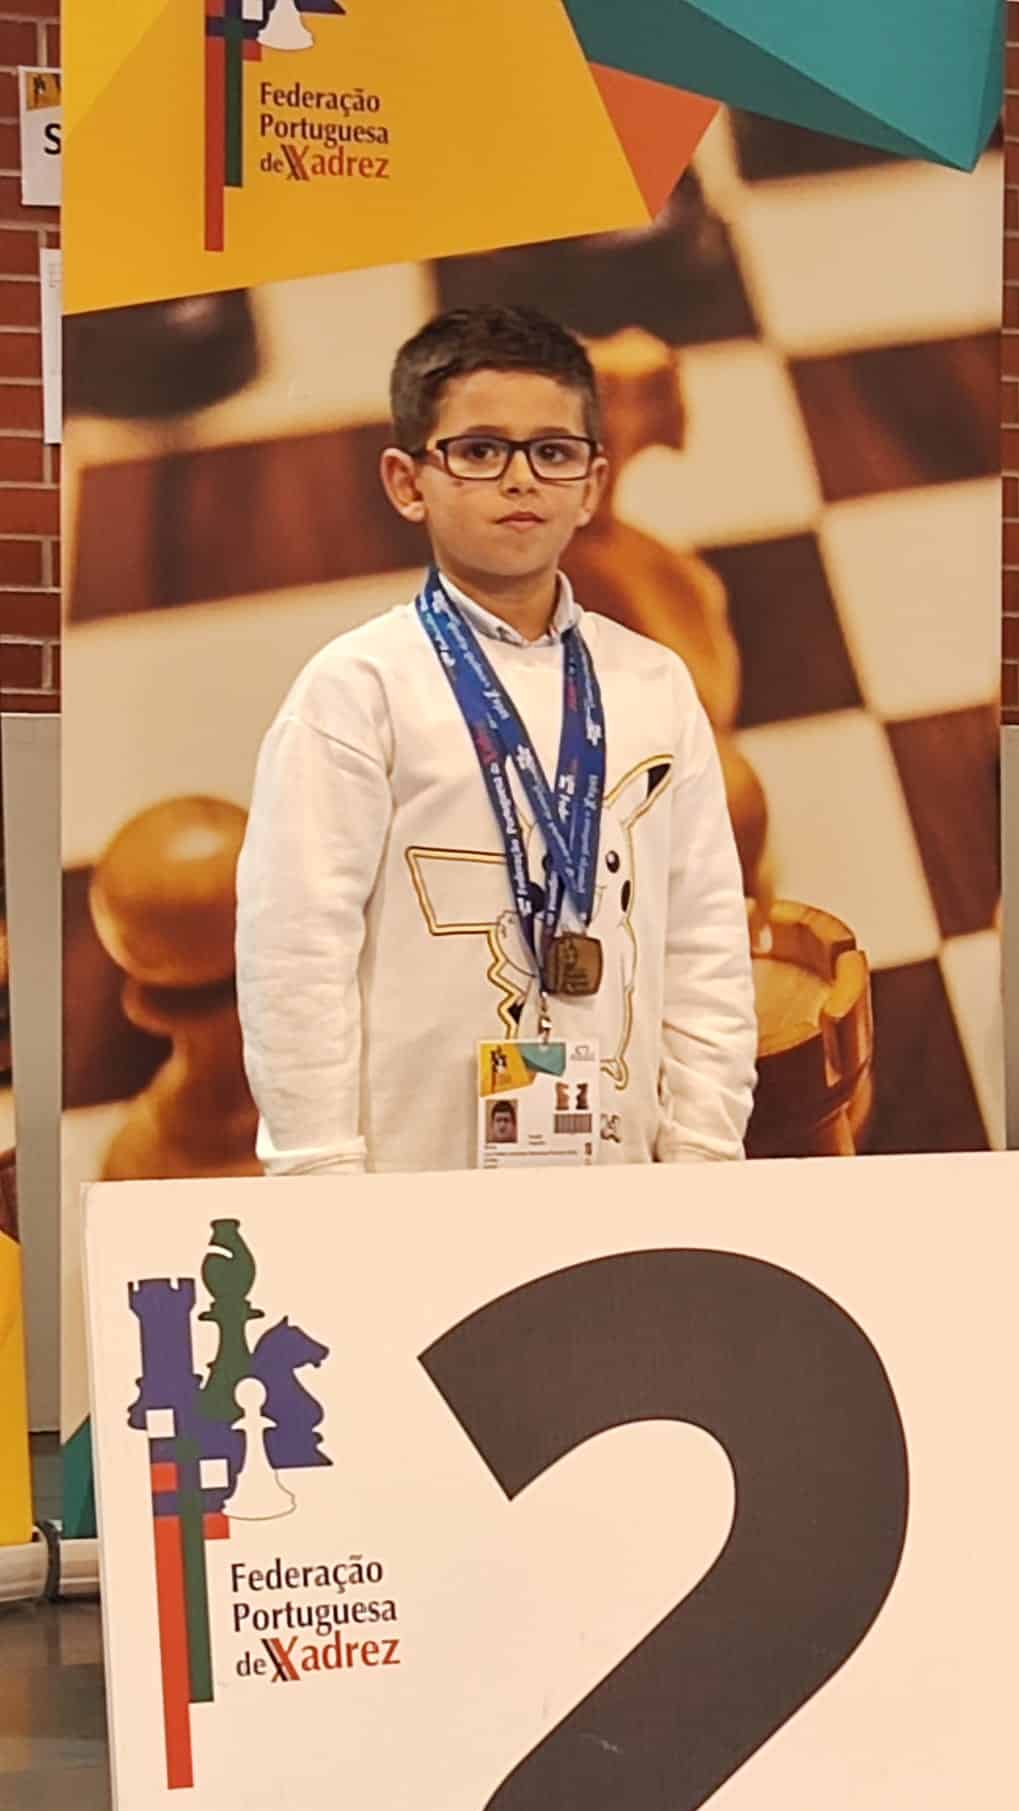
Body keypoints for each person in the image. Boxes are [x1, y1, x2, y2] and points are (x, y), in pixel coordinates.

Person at [235, 304, 757, 1173]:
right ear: (408, 482)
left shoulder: (652, 682)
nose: (521, 480)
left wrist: (703, 1147)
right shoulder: (358, 689)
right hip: (414, 1176)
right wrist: (319, 1170)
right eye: (480, 452)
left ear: (592, 483)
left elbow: (704, 935)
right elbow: (294, 951)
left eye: (553, 452)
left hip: (624, 1167)